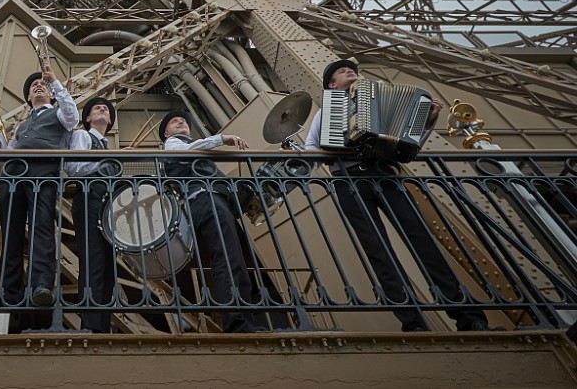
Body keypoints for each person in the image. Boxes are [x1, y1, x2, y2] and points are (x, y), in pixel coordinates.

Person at [305, 59, 492, 332]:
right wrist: (320, 154)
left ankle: (467, 315)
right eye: (343, 72)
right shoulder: (329, 110)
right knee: (379, 251)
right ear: (332, 84)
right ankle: (412, 321)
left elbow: (407, 144)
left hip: (386, 176)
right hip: (349, 180)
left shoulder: (379, 102)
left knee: (423, 242)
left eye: (352, 70)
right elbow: (311, 147)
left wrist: (427, 122)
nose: (350, 73)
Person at [159, 110, 266, 333]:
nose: (181, 121)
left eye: (183, 121)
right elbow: (186, 151)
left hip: (214, 200)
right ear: (167, 133)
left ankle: (243, 319)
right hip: (204, 199)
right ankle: (237, 323)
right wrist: (221, 139)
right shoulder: (173, 144)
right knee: (227, 259)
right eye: (174, 122)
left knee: (234, 259)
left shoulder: (192, 145)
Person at [0, 66, 79, 307]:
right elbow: (8, 152)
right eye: (33, 86)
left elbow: (73, 115)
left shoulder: (60, 114)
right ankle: (8, 291)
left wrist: (55, 82)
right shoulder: (22, 126)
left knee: (41, 225)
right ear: (28, 98)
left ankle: (41, 284)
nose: (37, 86)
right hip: (13, 174)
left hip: (42, 172)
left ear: (52, 94)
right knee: (10, 232)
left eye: (41, 84)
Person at [67, 96, 118, 332]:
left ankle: (102, 326)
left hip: (107, 205)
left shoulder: (107, 147)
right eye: (97, 108)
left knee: (109, 266)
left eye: (106, 109)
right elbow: (75, 168)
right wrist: (108, 160)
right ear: (87, 118)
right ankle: (90, 326)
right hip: (88, 199)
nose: (103, 109)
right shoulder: (82, 136)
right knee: (93, 260)